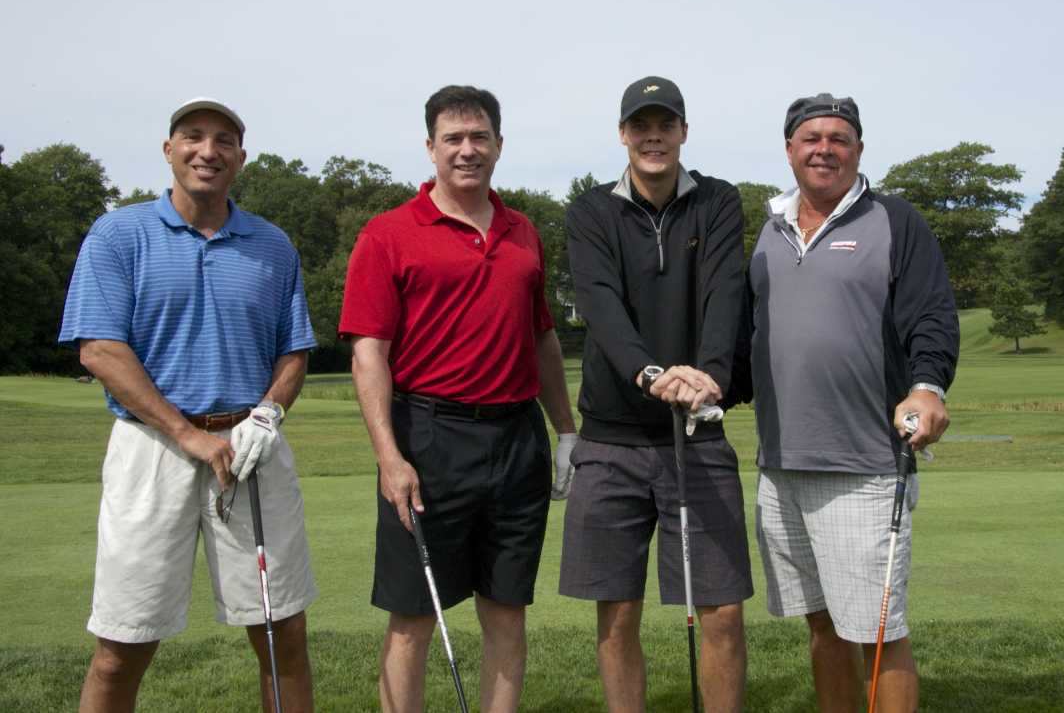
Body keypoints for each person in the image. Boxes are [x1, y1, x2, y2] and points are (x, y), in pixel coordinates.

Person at [59, 97, 319, 712]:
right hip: (153, 450)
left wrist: (268, 414)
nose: (209, 151)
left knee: (283, 635)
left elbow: (293, 352)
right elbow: (100, 349)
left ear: (241, 158)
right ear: (169, 149)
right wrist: (187, 434)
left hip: (251, 451)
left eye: (224, 140)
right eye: (194, 137)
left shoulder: (272, 245)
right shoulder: (119, 234)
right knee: (122, 644)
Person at [340, 85, 578, 713]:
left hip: (517, 441)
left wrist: (566, 430)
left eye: (479, 137)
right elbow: (369, 353)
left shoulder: (523, 232)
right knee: (414, 618)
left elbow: (542, 337)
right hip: (428, 438)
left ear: (499, 145)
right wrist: (389, 456)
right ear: (430, 147)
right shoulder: (388, 234)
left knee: (507, 611)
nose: (467, 150)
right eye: (453, 139)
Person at [748, 93, 959, 713]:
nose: (825, 149)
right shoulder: (768, 229)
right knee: (821, 625)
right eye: (811, 138)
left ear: (859, 149)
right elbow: (747, 336)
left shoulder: (894, 220)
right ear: (789, 149)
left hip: (864, 466)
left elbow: (931, 316)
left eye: (839, 138)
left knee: (876, 633)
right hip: (780, 466)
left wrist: (926, 386)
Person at [560, 75, 753, 713]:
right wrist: (651, 374)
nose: (653, 137)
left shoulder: (717, 201)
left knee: (722, 612)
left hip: (697, 432)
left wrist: (708, 376)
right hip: (610, 440)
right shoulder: (591, 211)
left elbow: (724, 293)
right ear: (623, 135)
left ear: (683, 132)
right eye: (640, 126)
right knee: (617, 615)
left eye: (665, 125)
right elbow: (601, 307)